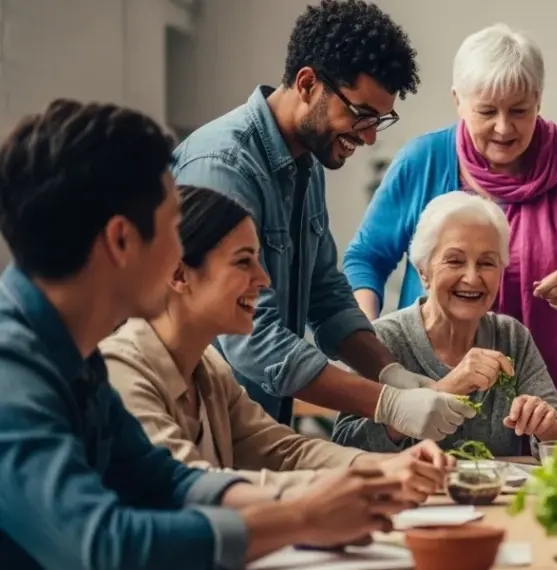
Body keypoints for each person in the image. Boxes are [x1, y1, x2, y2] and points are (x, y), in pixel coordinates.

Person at [0, 100, 415, 570]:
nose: (180, 251)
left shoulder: (75, 356)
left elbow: (166, 481)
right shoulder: (12, 375)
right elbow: (107, 546)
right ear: (120, 240)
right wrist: (301, 517)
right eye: (174, 226)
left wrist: (341, 494)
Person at [172, 0, 474, 440]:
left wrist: (390, 372)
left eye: (380, 120)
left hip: (262, 430)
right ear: (308, 83)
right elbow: (253, 339)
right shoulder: (221, 167)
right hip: (201, 432)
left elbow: (326, 294)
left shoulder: (305, 164)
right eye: (361, 115)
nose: (369, 137)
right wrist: (385, 404)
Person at [341, 23, 557, 431]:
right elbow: (366, 257)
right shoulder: (423, 160)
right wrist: (368, 340)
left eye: (519, 111)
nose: (503, 128)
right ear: (458, 101)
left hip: (545, 370)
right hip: (434, 364)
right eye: (487, 111)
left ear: (539, 100)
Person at [101, 185, 452, 497]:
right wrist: (358, 480)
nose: (264, 279)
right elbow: (191, 486)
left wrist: (384, 467)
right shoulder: (121, 372)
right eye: (244, 262)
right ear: (180, 274)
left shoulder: (208, 369)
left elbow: (286, 451)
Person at [333, 192, 557, 456]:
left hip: (493, 495)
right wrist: (440, 392)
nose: (472, 278)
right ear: (423, 272)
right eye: (455, 261)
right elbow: (345, 444)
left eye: (487, 263)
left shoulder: (511, 337)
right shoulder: (382, 340)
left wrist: (548, 427)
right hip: (406, 496)